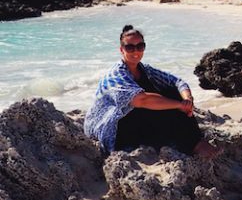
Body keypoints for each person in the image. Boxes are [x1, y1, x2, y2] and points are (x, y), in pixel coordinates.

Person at [84, 24, 217, 159]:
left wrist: (188, 100)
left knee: (170, 92)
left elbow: (177, 81)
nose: (135, 51)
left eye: (140, 46)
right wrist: (179, 105)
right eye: (129, 47)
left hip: (133, 120)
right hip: (111, 128)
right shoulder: (116, 75)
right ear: (121, 50)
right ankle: (195, 145)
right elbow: (141, 100)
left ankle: (194, 142)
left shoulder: (144, 69)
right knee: (163, 104)